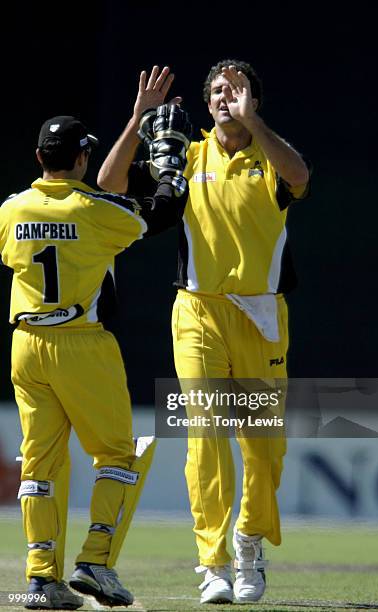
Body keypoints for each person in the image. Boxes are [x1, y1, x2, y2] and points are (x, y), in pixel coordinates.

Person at [98, 60, 311, 604]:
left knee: (264, 450)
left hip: (261, 318)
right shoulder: (189, 156)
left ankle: (247, 543)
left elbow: (300, 177)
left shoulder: (269, 155)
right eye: (217, 90)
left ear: (252, 100)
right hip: (197, 313)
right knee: (205, 435)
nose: (224, 97)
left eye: (235, 90)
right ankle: (212, 562)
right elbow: (108, 183)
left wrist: (254, 123)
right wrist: (138, 117)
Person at [0, 112, 189, 609]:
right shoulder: (92, 209)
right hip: (82, 344)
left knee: (38, 463)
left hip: (25, 345)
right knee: (117, 456)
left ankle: (41, 578)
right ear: (82, 158)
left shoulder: (11, 209)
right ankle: (96, 561)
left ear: (39, 157)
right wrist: (171, 169)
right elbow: (161, 213)